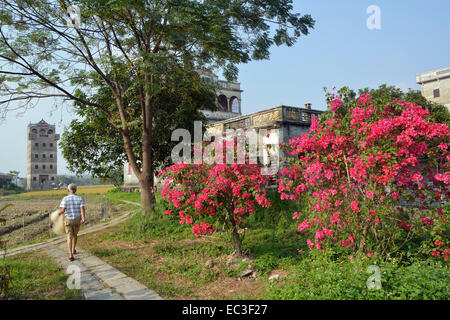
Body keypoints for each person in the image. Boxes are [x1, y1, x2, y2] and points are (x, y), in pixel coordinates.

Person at [57, 183, 85, 261]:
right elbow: (82, 209)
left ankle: (70, 254)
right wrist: (83, 218)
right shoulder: (79, 198)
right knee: (75, 235)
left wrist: (57, 214)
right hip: (77, 220)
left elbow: (63, 210)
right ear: (75, 190)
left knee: (69, 236)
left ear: (68, 190)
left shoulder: (65, 199)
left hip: (68, 220)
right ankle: (73, 249)